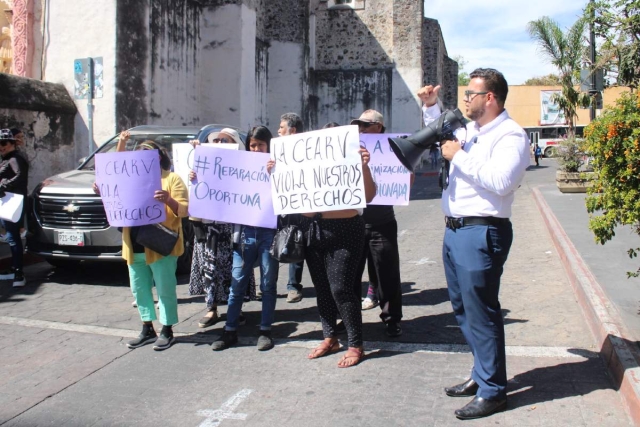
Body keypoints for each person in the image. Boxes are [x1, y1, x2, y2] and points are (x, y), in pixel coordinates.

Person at [420, 68, 530, 419]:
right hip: (456, 230)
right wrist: (430, 107)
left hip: (481, 231)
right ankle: (481, 374)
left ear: (491, 98)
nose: (466, 99)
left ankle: (493, 391)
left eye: (471, 93)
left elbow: (501, 182)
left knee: (481, 312)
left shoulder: (510, 135)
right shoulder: (474, 131)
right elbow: (445, 133)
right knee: (464, 310)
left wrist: (459, 157)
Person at [267, 135, 377, 368]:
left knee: (341, 288)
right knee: (322, 288)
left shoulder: (355, 161)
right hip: (312, 229)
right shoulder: (307, 164)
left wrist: (364, 167)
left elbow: (368, 196)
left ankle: (356, 344)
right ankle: (330, 337)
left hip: (346, 229)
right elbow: (287, 190)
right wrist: (275, 174)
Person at [96, 132, 189, 351]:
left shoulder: (171, 178)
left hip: (160, 245)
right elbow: (113, 177)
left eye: (149, 154)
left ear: (158, 157)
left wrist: (168, 200)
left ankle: (167, 329)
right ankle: (147, 327)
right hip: (134, 244)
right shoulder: (128, 180)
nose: (144, 158)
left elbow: (184, 210)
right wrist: (103, 188)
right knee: (139, 289)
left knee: (165, 288)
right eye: (140, 155)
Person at [211, 126, 280, 352]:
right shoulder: (239, 166)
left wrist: (276, 174)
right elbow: (217, 180)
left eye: (260, 145)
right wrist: (196, 175)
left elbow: (289, 195)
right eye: (252, 145)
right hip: (245, 235)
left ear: (268, 145)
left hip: (270, 233)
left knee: (268, 284)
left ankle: (265, 331)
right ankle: (230, 330)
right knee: (237, 283)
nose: (256, 149)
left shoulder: (279, 166)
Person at [187, 128, 256, 328]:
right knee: (209, 266)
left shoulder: (240, 166)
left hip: (231, 226)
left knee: (235, 268)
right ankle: (212, 308)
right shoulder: (202, 162)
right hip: (208, 226)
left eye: (224, 140)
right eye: (215, 140)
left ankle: (237, 308)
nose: (219, 143)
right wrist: (194, 168)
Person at [350, 110, 405, 337]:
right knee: (350, 276)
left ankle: (391, 320)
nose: (361, 129)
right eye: (358, 125)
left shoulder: (393, 148)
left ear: (379, 127)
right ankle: (349, 318)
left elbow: (405, 177)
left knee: (387, 275)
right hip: (353, 223)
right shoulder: (348, 149)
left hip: (382, 223)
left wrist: (405, 174)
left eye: (366, 125)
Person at [278, 112, 305, 303]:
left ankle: (293, 286)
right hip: (280, 204)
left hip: (300, 204)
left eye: (281, 127)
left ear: (292, 130)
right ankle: (267, 284)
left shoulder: (306, 149)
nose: (278, 131)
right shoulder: (274, 149)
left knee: (296, 241)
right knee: (275, 242)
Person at [0, 129, 29, 287]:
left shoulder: (15, 158)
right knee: (11, 236)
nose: (1, 146)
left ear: (12, 143)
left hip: (13, 201)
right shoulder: (7, 158)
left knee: (13, 237)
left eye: (4, 143)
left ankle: (19, 273)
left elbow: (20, 176)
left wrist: (4, 185)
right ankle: (14, 269)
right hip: (7, 201)